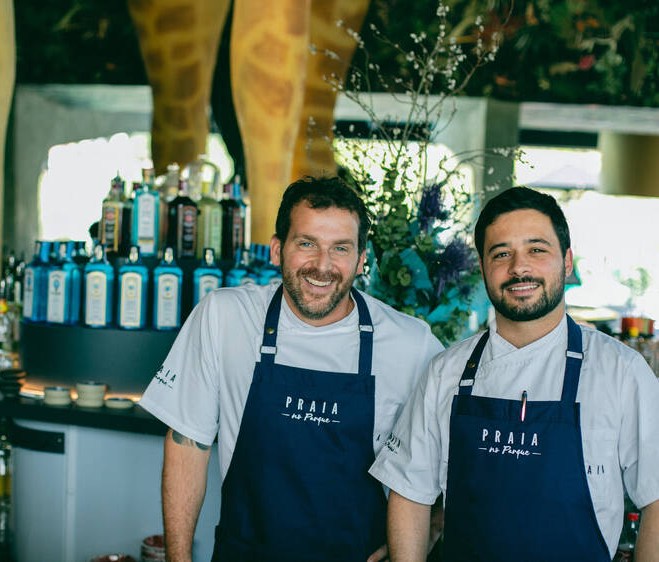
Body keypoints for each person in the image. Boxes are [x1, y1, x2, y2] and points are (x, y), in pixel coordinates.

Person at [139, 176, 443, 562]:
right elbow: (188, 445)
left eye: (341, 249)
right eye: (306, 244)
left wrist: (431, 527)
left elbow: (458, 452)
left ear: (362, 259)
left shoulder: (410, 342)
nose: (322, 266)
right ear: (277, 249)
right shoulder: (225, 316)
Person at [369, 186, 659, 561]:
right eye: (501, 253)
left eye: (537, 250)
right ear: (482, 266)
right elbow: (409, 491)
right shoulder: (447, 372)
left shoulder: (620, 371)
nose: (519, 267)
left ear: (567, 262)